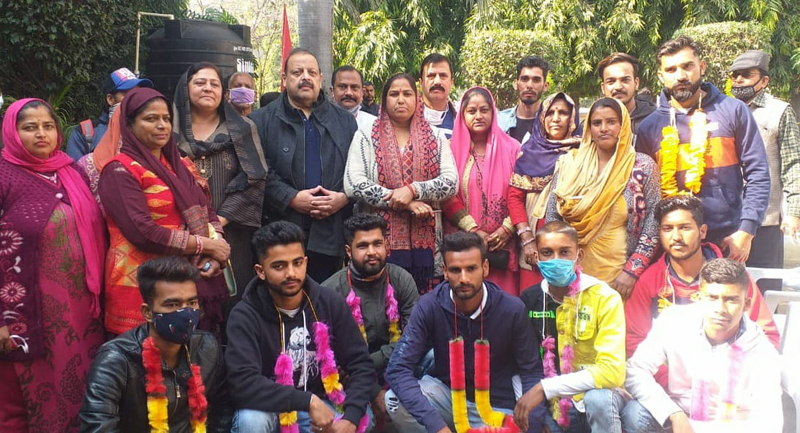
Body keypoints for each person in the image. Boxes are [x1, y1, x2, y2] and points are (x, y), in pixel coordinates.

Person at [0, 98, 107, 433]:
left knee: (80, 384)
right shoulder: (4, 175)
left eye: (47, 126)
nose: (41, 134)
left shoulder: (70, 171)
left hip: (81, 310)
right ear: (12, 132)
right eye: (29, 127)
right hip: (25, 311)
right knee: (25, 399)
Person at [99, 87, 231, 338]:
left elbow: (207, 210)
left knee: (190, 364)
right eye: (150, 119)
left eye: (166, 119)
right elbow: (142, 232)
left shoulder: (181, 164)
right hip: (141, 286)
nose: (161, 125)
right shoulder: (120, 171)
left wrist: (218, 246)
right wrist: (204, 246)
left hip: (188, 279)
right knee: (143, 366)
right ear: (129, 124)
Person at [385, 231, 546, 433]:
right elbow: (398, 369)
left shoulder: (512, 309)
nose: (464, 278)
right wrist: (437, 428)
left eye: (471, 269)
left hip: (496, 408)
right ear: (444, 271)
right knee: (393, 400)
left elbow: (531, 371)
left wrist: (535, 424)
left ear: (485, 268)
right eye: (455, 270)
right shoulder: (429, 306)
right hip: (448, 400)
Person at [225, 221, 375, 433]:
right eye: (279, 266)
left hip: (323, 406)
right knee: (251, 421)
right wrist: (308, 401)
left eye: (297, 263)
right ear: (260, 271)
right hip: (273, 410)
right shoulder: (245, 315)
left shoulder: (329, 302)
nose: (291, 274)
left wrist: (349, 419)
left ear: (306, 262)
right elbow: (243, 383)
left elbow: (361, 364)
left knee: (362, 418)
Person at [636, 36, 770, 263]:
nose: (680, 76)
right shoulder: (650, 127)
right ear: (661, 76)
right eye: (671, 69)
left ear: (702, 67)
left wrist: (746, 231)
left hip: (727, 242)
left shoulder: (733, 110)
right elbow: (643, 195)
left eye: (687, 66)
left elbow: (758, 174)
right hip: (670, 245)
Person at [622, 258, 783, 432]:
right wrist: (673, 413)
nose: (720, 309)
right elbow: (635, 370)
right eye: (712, 298)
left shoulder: (760, 349)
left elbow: (769, 420)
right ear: (699, 298)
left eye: (731, 300)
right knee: (635, 413)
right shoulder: (674, 321)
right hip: (681, 420)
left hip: (733, 426)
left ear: (746, 304)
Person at [625, 196, 780, 372]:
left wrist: (727, 378)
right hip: (669, 386)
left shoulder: (734, 276)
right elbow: (635, 340)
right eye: (667, 229)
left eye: (685, 228)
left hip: (729, 383)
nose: (676, 237)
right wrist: (670, 381)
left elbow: (768, 336)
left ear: (703, 231)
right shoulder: (650, 280)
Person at [79, 256, 231, 432]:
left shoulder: (207, 347)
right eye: (173, 304)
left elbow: (222, 412)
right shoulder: (116, 360)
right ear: (147, 312)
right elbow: (98, 427)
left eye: (192, 303)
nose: (186, 312)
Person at [344, 72, 458, 294]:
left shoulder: (435, 137)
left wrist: (413, 190)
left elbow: (450, 182)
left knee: (424, 306)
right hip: (376, 243)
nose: (401, 99)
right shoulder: (366, 136)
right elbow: (353, 183)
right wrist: (404, 202)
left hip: (427, 247)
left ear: (417, 99)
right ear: (384, 100)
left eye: (407, 94)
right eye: (394, 94)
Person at [250, 48, 357, 283]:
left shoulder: (345, 121)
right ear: (284, 79)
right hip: (280, 227)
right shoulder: (260, 121)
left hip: (330, 231)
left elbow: (357, 169)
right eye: (297, 72)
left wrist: (343, 197)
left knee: (325, 300)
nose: (305, 77)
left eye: (311, 72)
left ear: (320, 78)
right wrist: (291, 198)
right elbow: (256, 172)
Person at [546, 97, 660, 299]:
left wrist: (632, 271)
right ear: (589, 128)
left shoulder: (642, 167)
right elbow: (553, 218)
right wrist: (559, 271)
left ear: (623, 125)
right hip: (572, 278)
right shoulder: (569, 165)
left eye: (611, 122)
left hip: (620, 281)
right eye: (597, 123)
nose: (604, 128)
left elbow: (654, 219)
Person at [520, 221, 626, 433]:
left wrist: (545, 388)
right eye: (547, 253)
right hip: (551, 405)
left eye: (565, 252)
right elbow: (522, 364)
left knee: (599, 399)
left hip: (593, 400)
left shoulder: (604, 297)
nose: (556, 260)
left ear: (579, 256)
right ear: (537, 257)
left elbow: (612, 371)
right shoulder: (529, 299)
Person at [174, 62, 269, 298]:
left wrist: (215, 224)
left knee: (231, 302)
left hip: (231, 234)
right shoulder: (169, 132)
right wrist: (195, 230)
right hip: (181, 235)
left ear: (223, 93)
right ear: (185, 89)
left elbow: (255, 179)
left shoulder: (243, 129)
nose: (207, 88)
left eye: (214, 84)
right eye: (200, 83)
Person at [321, 214, 420, 422]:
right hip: (352, 381)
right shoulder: (330, 291)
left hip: (401, 367)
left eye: (377, 244)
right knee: (359, 420)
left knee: (433, 358)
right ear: (348, 251)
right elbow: (336, 361)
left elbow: (414, 341)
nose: (372, 252)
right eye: (363, 246)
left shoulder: (402, 279)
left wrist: (367, 362)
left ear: (386, 245)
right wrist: (374, 391)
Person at [729, 50, 800, 291]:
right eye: (735, 75)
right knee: (728, 289)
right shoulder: (724, 109)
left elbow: (793, 164)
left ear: (764, 81)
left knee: (765, 289)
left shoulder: (780, 111)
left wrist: (793, 212)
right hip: (728, 219)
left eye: (746, 75)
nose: (738, 80)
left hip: (766, 221)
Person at [441, 87, 521, 293]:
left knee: (502, 305)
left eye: (484, 110)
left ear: (493, 113)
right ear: (462, 114)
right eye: (472, 111)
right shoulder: (449, 150)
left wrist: (507, 229)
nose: (478, 116)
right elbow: (447, 195)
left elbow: (521, 192)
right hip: (464, 246)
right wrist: (474, 231)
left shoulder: (513, 148)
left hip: (501, 246)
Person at [509, 92, 582, 292]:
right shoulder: (529, 151)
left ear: (572, 118)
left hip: (572, 245)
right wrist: (527, 240)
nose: (556, 118)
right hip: (535, 245)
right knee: (535, 303)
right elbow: (514, 198)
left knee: (569, 302)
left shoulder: (584, 152)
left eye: (563, 113)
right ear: (542, 117)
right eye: (550, 113)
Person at [66, 67, 153, 161]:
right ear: (110, 99)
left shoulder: (148, 130)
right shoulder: (85, 132)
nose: (134, 100)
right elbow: (75, 173)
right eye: (127, 95)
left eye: (136, 94)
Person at [597, 53, 656, 137]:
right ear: (603, 87)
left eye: (625, 80)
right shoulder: (592, 125)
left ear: (636, 83)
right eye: (611, 81)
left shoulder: (655, 121)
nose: (618, 87)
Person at [497, 56, 552, 142]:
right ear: (516, 84)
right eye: (524, 79)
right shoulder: (499, 122)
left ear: (545, 86)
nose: (529, 85)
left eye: (536, 80)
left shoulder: (552, 123)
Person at [419, 53, 457, 139]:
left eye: (443, 76)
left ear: (451, 83)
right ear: (421, 83)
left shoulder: (463, 121)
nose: (437, 81)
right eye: (431, 76)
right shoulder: (406, 119)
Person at [330, 65, 377, 131]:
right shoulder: (320, 124)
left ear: (362, 92)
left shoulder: (374, 125)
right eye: (342, 87)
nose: (348, 93)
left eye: (354, 87)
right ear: (332, 91)